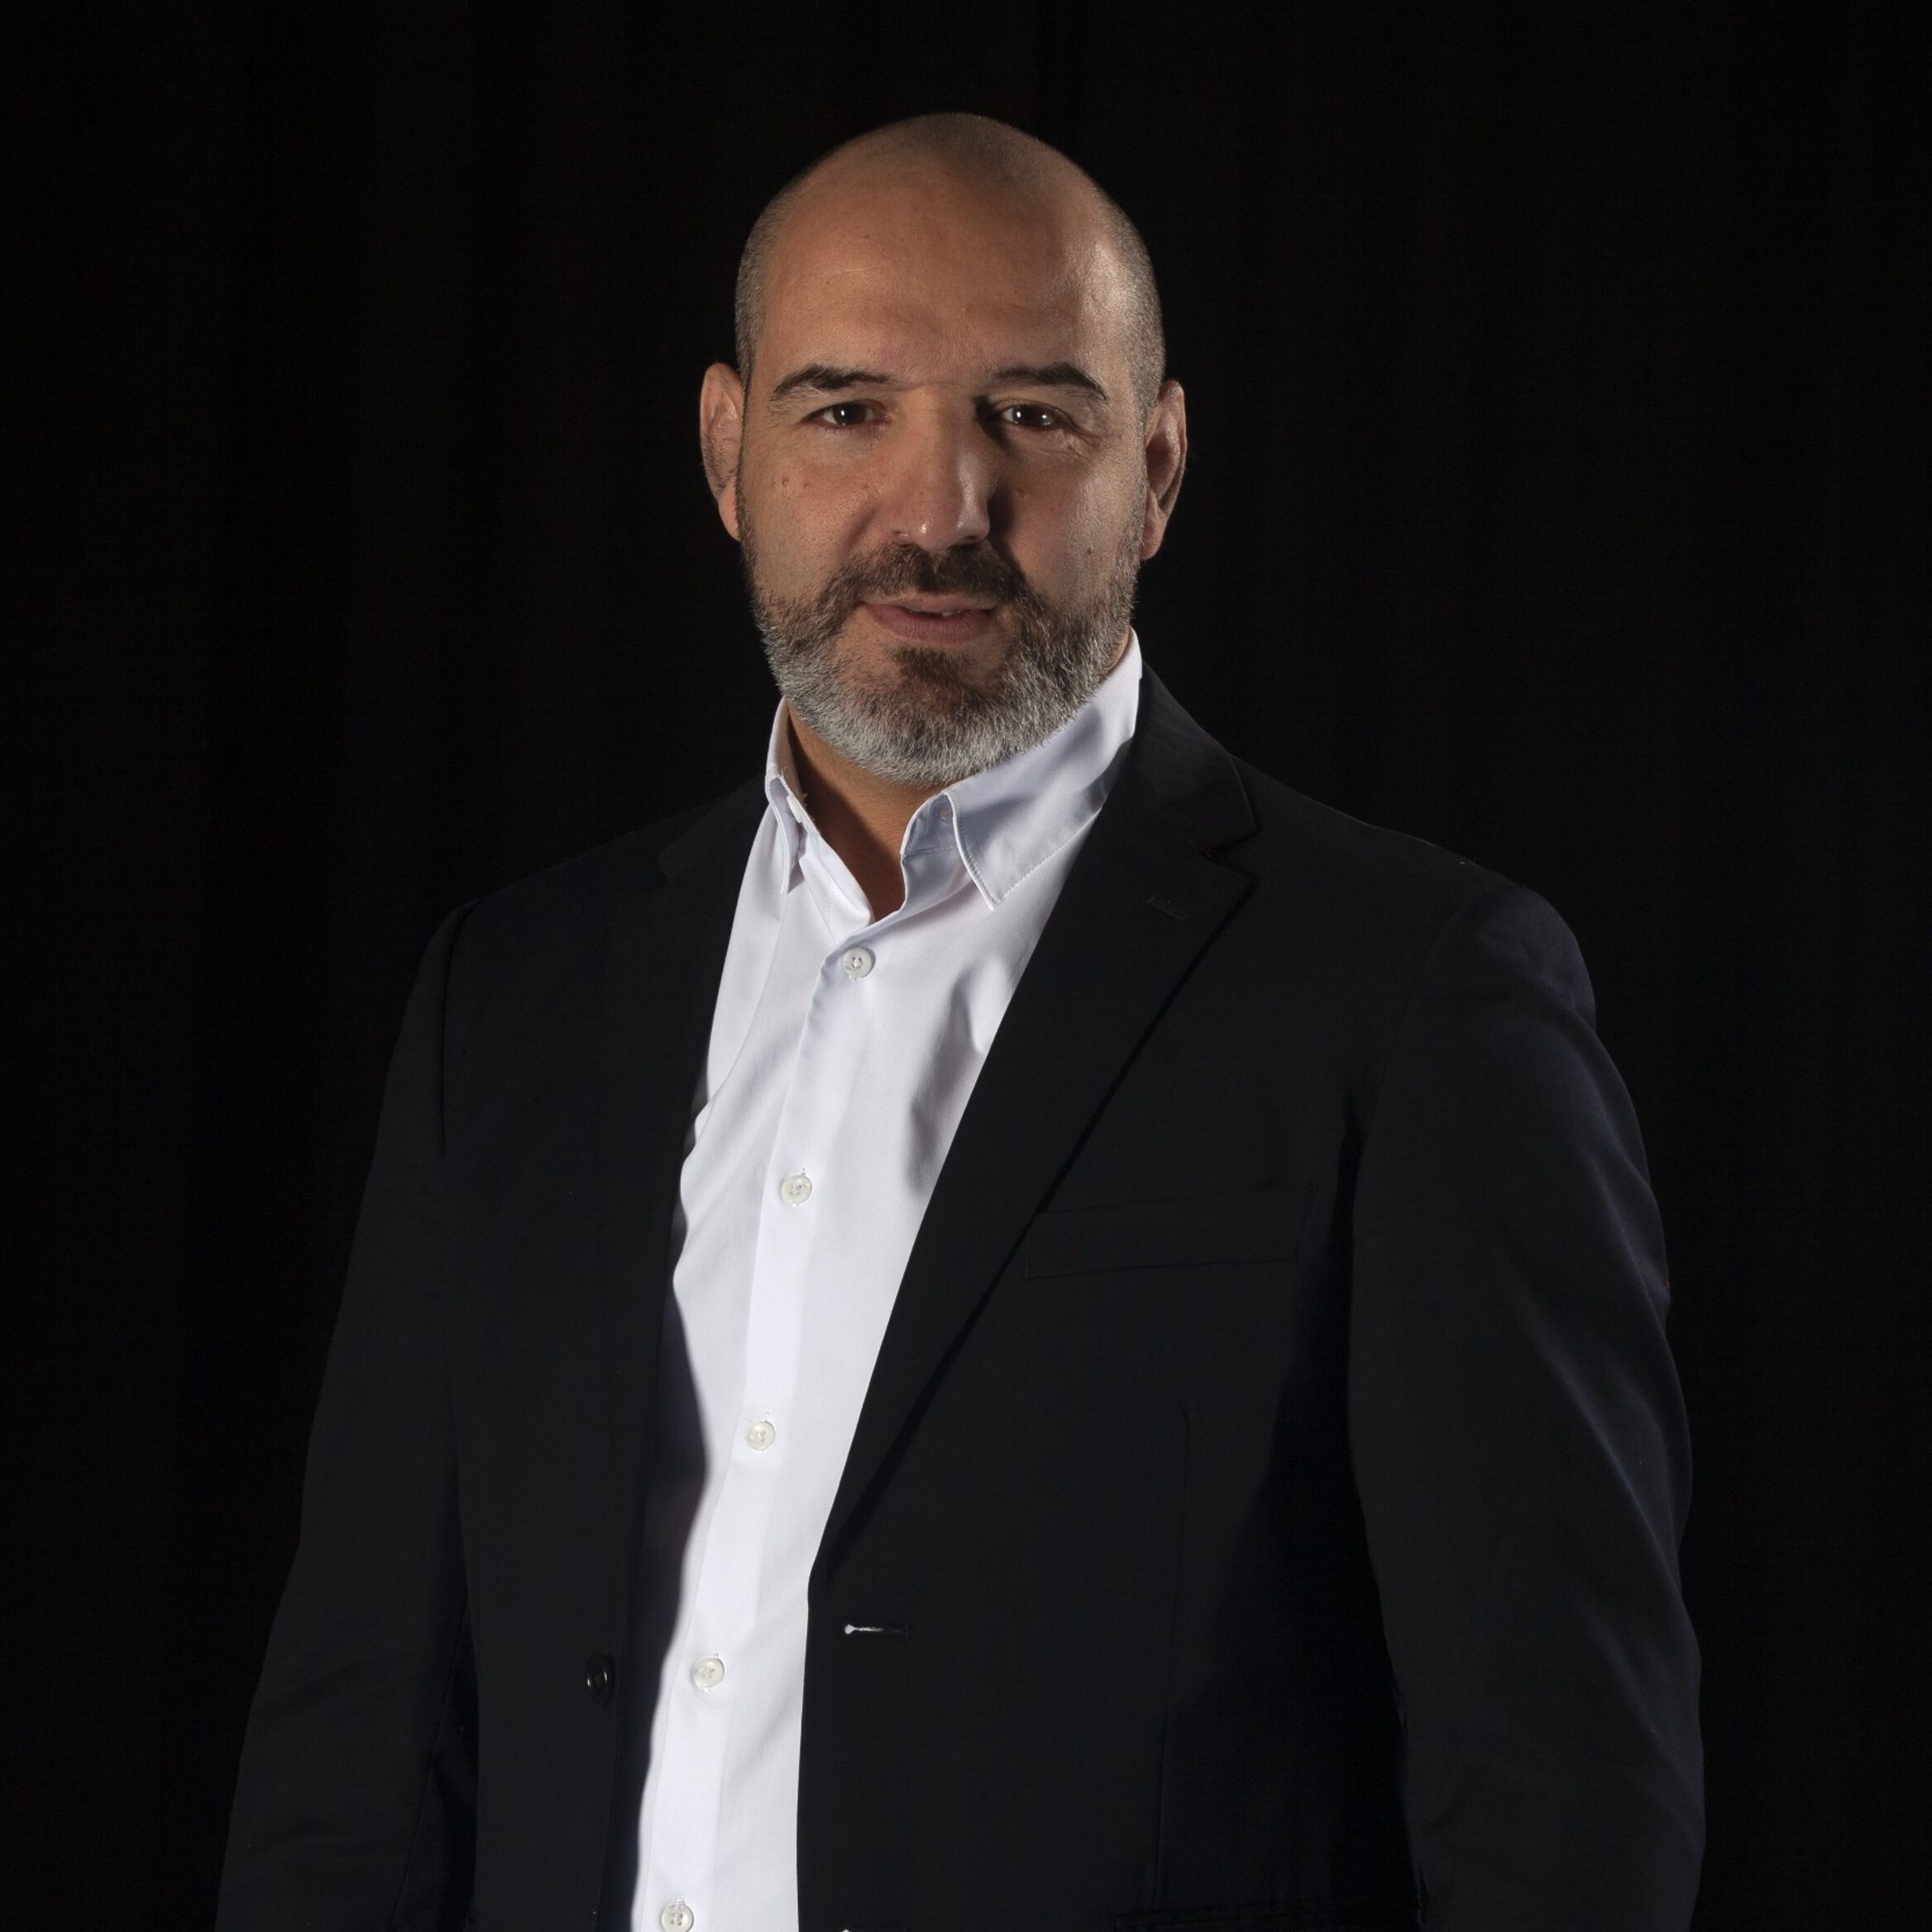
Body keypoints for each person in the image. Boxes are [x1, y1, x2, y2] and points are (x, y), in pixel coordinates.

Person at [217, 113, 1703, 1932]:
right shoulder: (514, 996)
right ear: (726, 452)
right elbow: (354, 1755)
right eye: (847, 410)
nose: (938, 510)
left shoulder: (1420, 998)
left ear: (1158, 467)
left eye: (1033, 416)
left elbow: (1561, 1794)